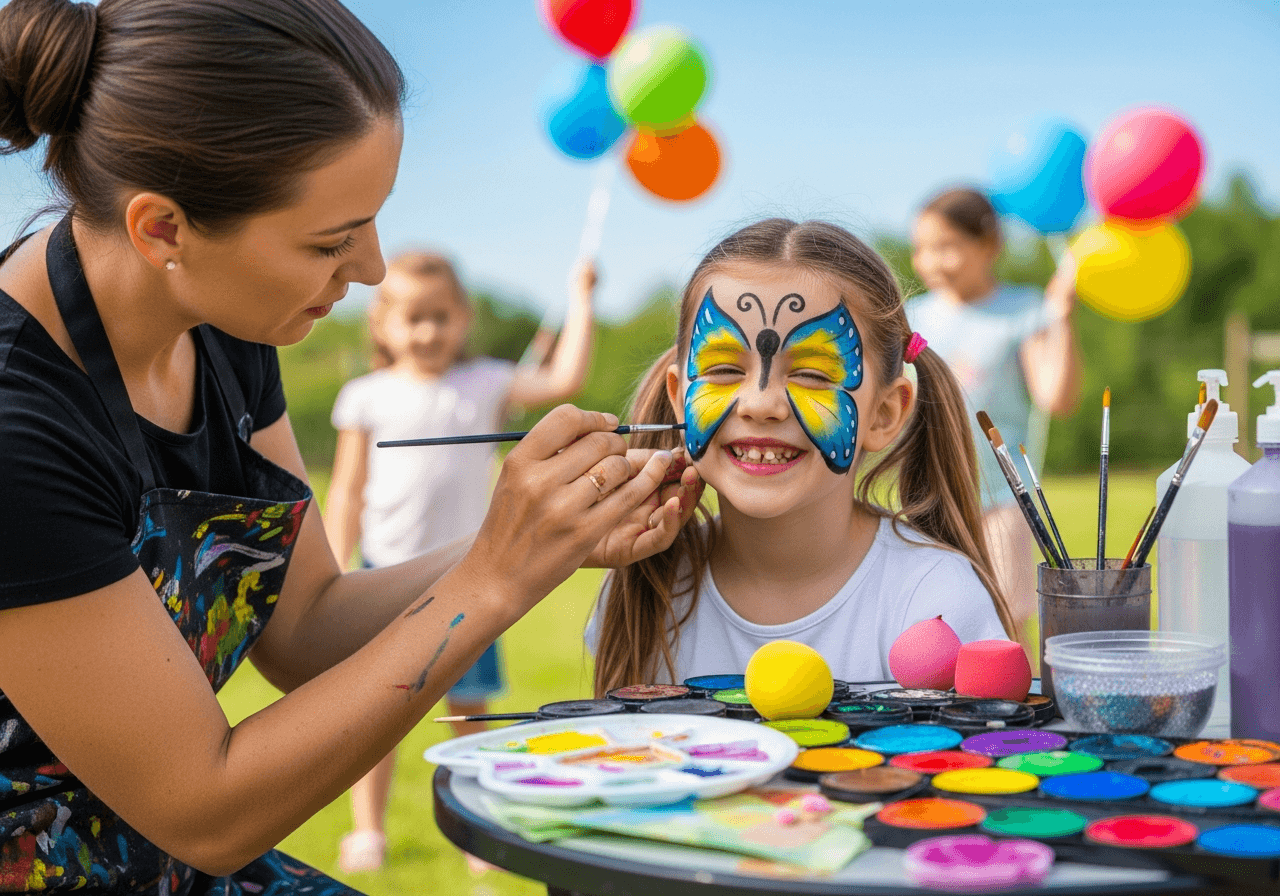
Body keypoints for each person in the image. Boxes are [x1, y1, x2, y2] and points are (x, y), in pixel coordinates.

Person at [0, 1, 699, 892]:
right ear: (163, 229)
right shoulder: (17, 427)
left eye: (371, 221)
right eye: (330, 240)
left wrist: (547, 538)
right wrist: (494, 581)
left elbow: (308, 628)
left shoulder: (225, 324)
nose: (370, 268)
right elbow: (208, 810)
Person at [587, 218, 1017, 693]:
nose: (761, 403)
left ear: (883, 414)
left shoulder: (935, 600)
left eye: (812, 374)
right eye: (726, 368)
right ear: (677, 395)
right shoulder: (648, 590)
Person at [324, 252, 598, 872]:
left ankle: (480, 834)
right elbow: (348, 489)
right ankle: (367, 833)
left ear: (463, 318)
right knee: (373, 718)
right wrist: (337, 563)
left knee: (469, 714)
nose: (427, 331)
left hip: (468, 577)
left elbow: (562, 383)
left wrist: (580, 295)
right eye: (413, 317)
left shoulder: (486, 384)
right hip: (380, 578)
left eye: (441, 317)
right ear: (382, 323)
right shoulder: (363, 396)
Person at [907, 187, 1082, 665]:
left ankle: (1016, 720)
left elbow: (1055, 396)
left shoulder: (1023, 309)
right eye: (921, 248)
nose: (931, 261)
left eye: (946, 246)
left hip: (1004, 498)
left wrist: (1061, 318)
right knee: (929, 617)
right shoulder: (914, 318)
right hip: (930, 490)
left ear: (989, 245)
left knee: (1007, 616)